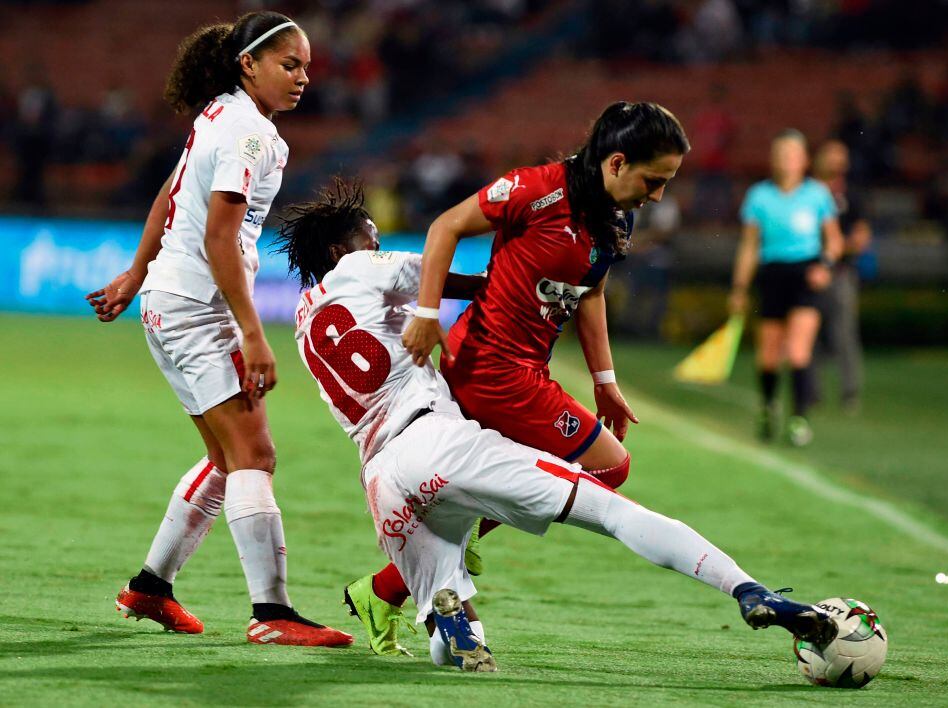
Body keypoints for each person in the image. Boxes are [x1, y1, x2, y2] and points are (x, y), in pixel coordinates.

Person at [277, 177, 838, 670]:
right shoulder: (357, 266)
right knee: (613, 508)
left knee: (456, 638)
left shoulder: (304, 322)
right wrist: (524, 273)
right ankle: (745, 588)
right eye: (368, 237)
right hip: (437, 440)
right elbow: (441, 275)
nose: (375, 244)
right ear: (340, 250)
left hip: (382, 480)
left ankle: (449, 614)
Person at [348, 102, 691, 652]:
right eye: (655, 181)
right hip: (490, 370)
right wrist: (427, 313)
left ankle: (389, 589)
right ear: (617, 162)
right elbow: (446, 226)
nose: (658, 196)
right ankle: (408, 574)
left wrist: (605, 379)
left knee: (535, 478)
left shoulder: (615, 215)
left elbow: (592, 290)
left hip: (523, 370)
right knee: (609, 465)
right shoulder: (536, 190)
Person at [84, 12, 350, 647]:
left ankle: (150, 587)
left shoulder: (219, 115)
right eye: (290, 65)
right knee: (254, 454)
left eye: (307, 68)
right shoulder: (248, 135)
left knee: (226, 459)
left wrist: (134, 271)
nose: (302, 78)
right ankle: (272, 614)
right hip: (197, 308)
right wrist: (254, 335)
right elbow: (220, 237)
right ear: (247, 64)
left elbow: (170, 194)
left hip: (169, 301)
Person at [728, 130, 842, 447]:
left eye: (792, 154)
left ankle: (799, 418)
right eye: (781, 154)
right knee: (768, 356)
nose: (786, 161)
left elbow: (834, 241)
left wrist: (826, 266)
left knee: (797, 351)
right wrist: (739, 287)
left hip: (806, 275)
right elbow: (749, 246)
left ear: (804, 160)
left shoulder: (817, 194)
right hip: (772, 275)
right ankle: (767, 408)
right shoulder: (759, 196)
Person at [811, 140, 871, 412]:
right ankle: (811, 390)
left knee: (844, 334)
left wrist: (838, 248)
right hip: (809, 272)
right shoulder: (808, 192)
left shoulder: (851, 194)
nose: (838, 162)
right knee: (809, 332)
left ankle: (850, 392)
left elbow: (861, 235)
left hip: (840, 273)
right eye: (833, 155)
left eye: (842, 156)